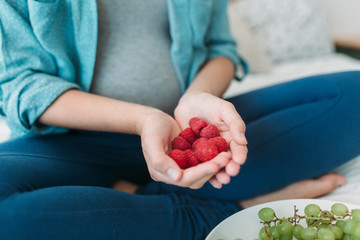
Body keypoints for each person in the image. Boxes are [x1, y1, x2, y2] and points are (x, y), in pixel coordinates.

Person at [0, 0, 359, 239]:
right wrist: (143, 120)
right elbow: (22, 84)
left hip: (188, 129)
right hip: (74, 142)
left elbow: (220, 49)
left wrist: (196, 99)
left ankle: (140, 198)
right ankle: (226, 211)